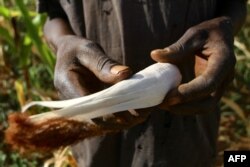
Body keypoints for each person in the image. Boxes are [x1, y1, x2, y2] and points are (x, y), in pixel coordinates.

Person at [37, 0, 246, 166]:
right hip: (97, 125)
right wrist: (63, 42)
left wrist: (224, 26)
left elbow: (235, 3)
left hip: (189, 127)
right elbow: (55, 14)